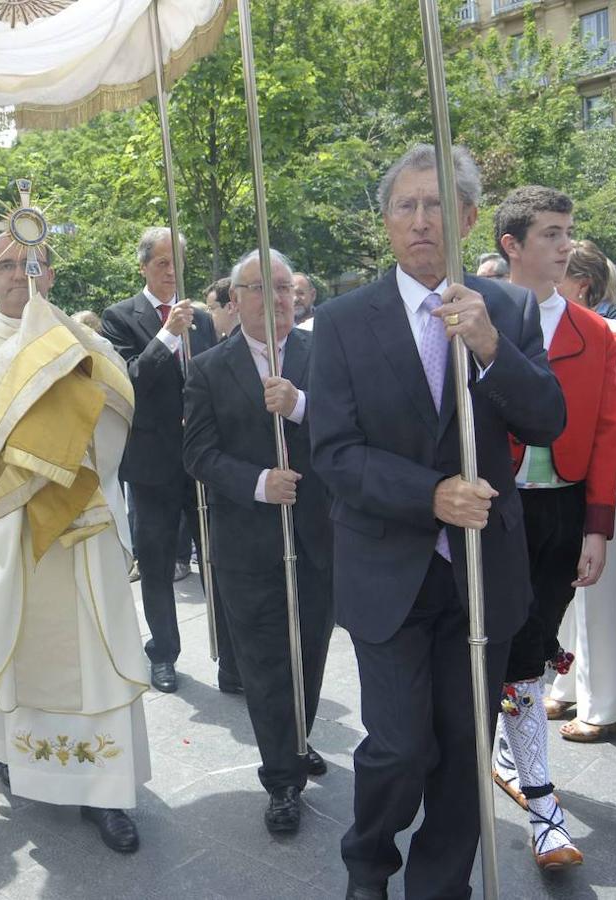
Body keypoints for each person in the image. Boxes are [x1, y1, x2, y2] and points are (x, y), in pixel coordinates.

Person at [310, 145, 565, 899]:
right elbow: (333, 451)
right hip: (387, 568)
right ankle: (368, 864)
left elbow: (547, 418)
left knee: (462, 745)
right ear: (386, 222)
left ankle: (438, 884)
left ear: (467, 218)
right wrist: (428, 494)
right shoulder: (342, 320)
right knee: (397, 746)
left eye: (436, 206)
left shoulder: (509, 309)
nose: (420, 221)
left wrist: (489, 346)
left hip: (483, 573)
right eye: (405, 206)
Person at [0, 231, 150, 853]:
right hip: (13, 529)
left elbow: (117, 413)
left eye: (32, 263)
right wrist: (27, 369)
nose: (19, 274)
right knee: (18, 649)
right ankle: (24, 764)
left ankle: (106, 794)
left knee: (97, 659)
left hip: (82, 522)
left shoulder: (87, 340)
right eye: (6, 265)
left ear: (49, 272)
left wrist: (58, 375)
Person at [490, 186, 616, 870]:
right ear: (511, 244)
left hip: (561, 508)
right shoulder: (464, 316)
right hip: (488, 506)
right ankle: (536, 796)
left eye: (567, 230)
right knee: (489, 646)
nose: (565, 243)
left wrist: (596, 526)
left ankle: (528, 781)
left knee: (534, 643)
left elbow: (604, 433)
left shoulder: (596, 333)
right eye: (549, 232)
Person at [183, 248, 334, 836]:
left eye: (285, 288)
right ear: (237, 297)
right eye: (262, 288)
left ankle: (296, 738)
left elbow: (356, 428)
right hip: (247, 544)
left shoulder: (322, 354)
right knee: (267, 663)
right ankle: (281, 778)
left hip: (319, 536)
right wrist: (257, 483)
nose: (278, 299)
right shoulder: (209, 368)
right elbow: (197, 454)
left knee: (312, 652)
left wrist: (298, 406)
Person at [101, 226, 235, 694]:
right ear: (143, 267)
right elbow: (129, 381)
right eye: (161, 263)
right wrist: (165, 336)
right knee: (157, 564)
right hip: (153, 466)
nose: (170, 272)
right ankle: (163, 652)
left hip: (203, 460)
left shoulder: (201, 318)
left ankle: (233, 654)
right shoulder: (119, 317)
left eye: (176, 263)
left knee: (219, 557)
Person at [545, 240, 616, 745]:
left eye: (558, 271)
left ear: (582, 285)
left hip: (614, 479)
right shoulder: (552, 327)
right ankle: (570, 681)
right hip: (567, 477)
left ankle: (606, 702)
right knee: (568, 593)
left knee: (598, 597)